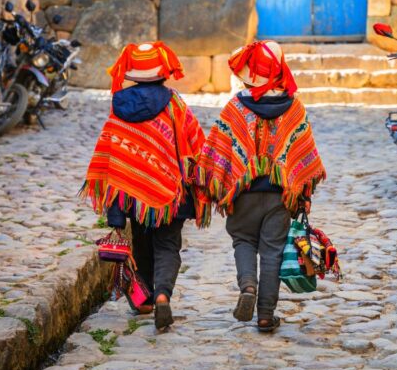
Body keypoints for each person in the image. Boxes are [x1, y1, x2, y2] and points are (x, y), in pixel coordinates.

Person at [199, 40, 325, 332]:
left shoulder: (235, 108)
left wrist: (216, 185)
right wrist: (303, 194)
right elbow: (304, 155)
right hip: (279, 197)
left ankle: (248, 287)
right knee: (273, 252)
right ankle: (266, 315)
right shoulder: (294, 109)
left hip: (242, 195)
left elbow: (216, 150)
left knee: (243, 240)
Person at [81, 42, 206, 330]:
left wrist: (117, 200)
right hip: (170, 192)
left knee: (142, 244)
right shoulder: (174, 103)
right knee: (167, 246)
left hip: (134, 194)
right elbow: (195, 141)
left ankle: (145, 300)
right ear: (162, 73)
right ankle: (163, 295)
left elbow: (111, 152)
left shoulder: (120, 106)